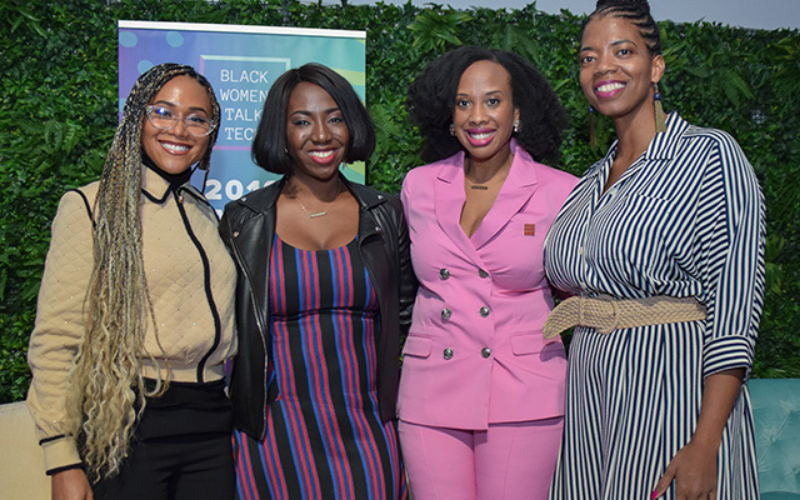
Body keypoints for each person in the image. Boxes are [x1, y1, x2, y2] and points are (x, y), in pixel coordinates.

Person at [543, 1, 765, 499]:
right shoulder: (587, 183)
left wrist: (705, 445)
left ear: (656, 66)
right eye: (588, 57)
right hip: (590, 404)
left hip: (671, 396)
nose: (603, 66)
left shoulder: (709, 156)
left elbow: (734, 312)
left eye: (623, 51)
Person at [26, 63, 237, 500]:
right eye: (163, 111)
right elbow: (55, 341)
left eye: (197, 118)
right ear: (137, 117)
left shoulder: (204, 213)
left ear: (210, 133)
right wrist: (61, 458)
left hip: (211, 425)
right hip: (128, 428)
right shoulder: (90, 206)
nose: (179, 128)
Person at [220, 63, 415, 500]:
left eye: (335, 117)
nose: (321, 135)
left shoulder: (385, 214)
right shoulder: (244, 220)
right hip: (274, 435)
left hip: (369, 428)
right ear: (281, 131)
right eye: (302, 121)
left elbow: (405, 316)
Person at [397, 46, 578, 500]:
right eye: (464, 103)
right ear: (450, 115)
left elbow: (577, 290)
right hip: (430, 393)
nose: (478, 116)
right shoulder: (418, 185)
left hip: (525, 392)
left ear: (517, 111)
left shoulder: (562, 191)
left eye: (493, 101)